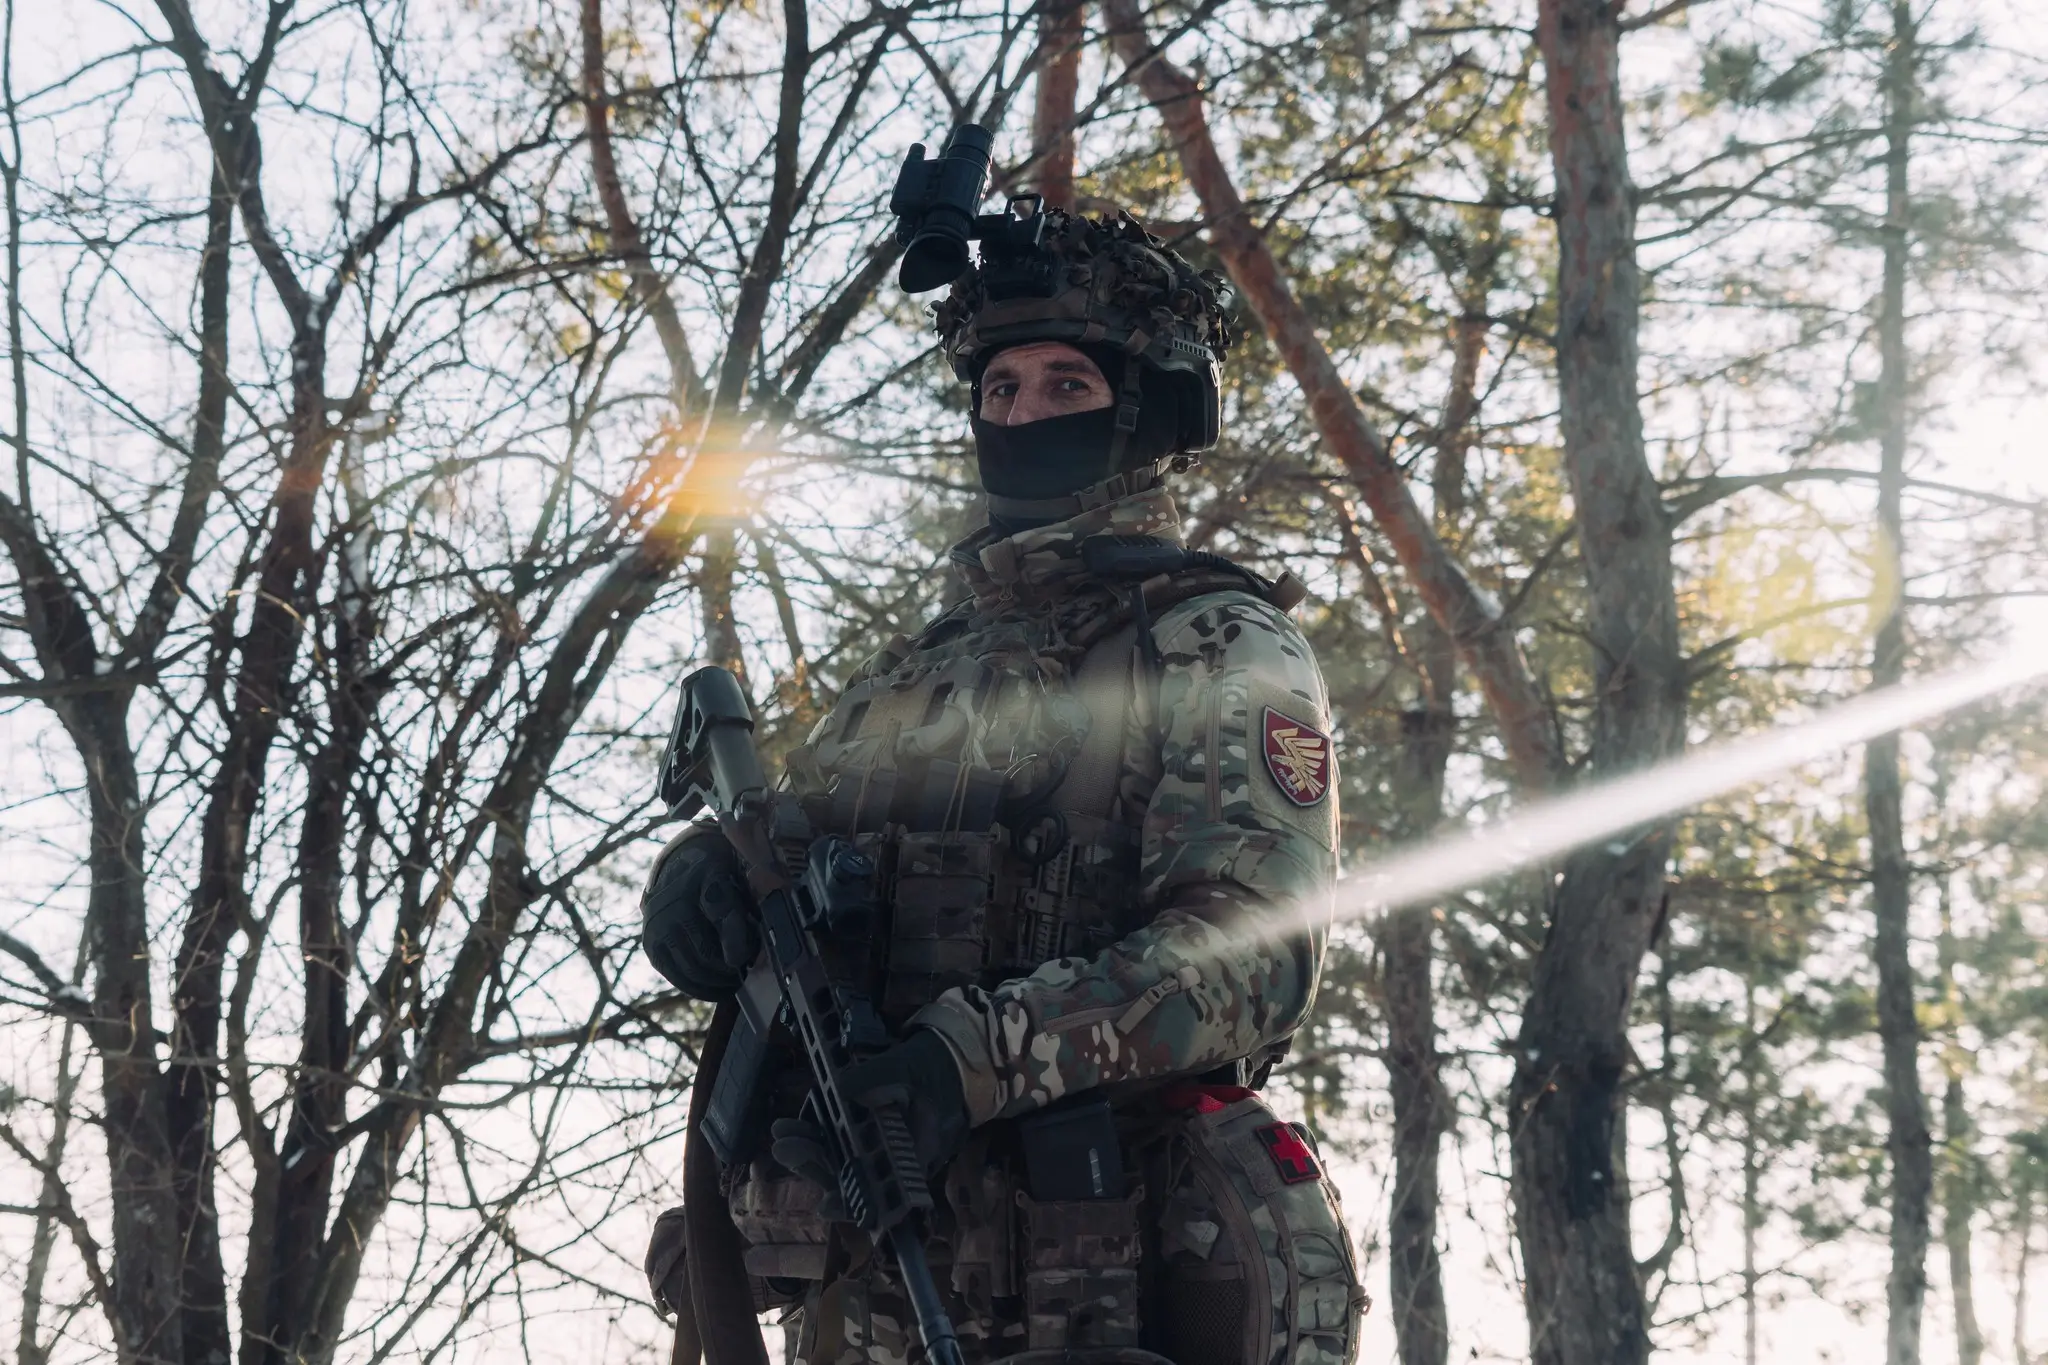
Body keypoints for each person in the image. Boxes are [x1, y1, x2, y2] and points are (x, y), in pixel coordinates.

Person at [640, 207, 1365, 1365]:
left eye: (1065, 385)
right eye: (1000, 389)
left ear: (1147, 411)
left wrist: (969, 1061)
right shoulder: (915, 673)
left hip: (1094, 1297)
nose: (1021, 414)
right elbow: (787, 873)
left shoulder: (1214, 642)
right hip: (861, 1298)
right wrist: (703, 880)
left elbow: (1255, 955)